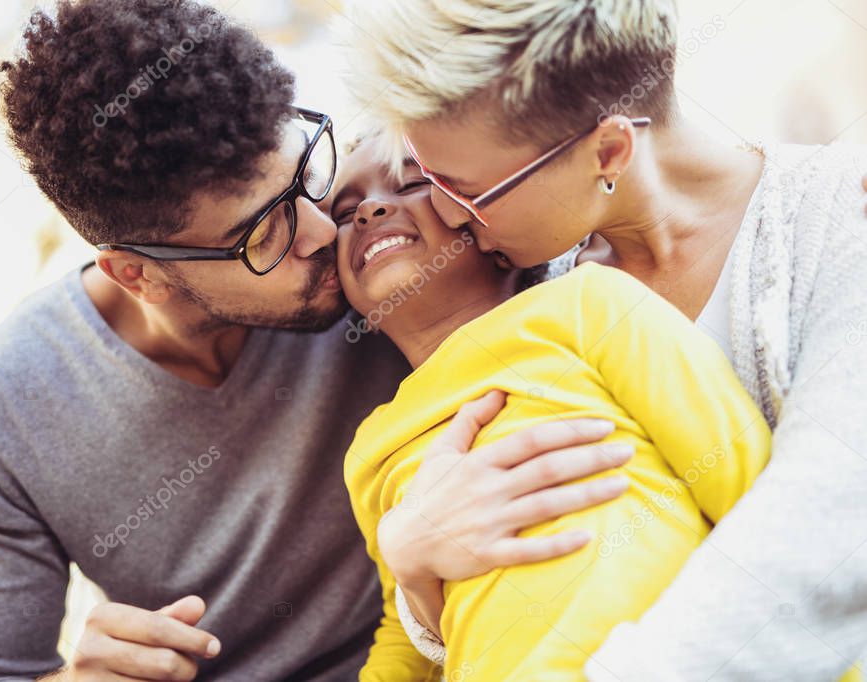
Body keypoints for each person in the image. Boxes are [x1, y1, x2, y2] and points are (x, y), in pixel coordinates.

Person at [0, 1, 634, 680]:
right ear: (138, 275)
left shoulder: (389, 256)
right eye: (265, 234)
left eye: (305, 172)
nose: (326, 231)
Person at [341, 0, 867, 679]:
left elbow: (826, 534)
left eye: (460, 187)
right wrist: (413, 565)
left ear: (610, 150)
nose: (444, 214)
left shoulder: (841, 218)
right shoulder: (526, 277)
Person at [333, 133, 781, 680]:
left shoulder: (590, 304)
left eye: (411, 183)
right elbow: (409, 636)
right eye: (344, 210)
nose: (370, 210)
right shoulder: (371, 447)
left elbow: (744, 481)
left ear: (480, 220)